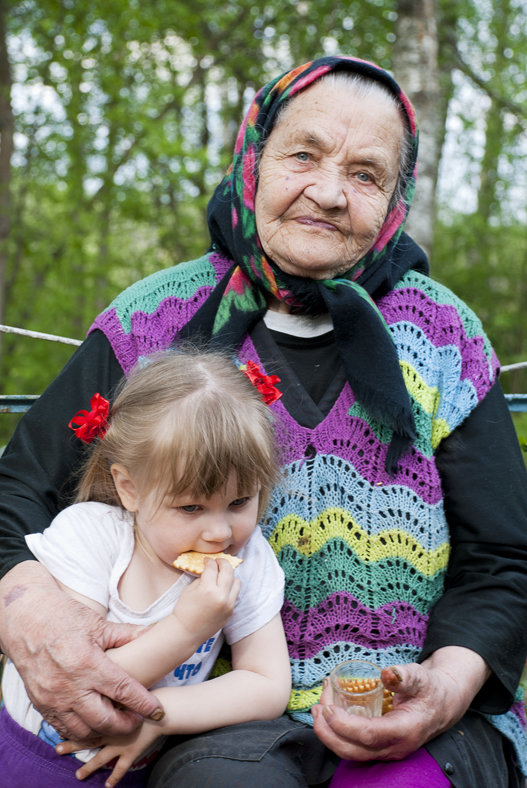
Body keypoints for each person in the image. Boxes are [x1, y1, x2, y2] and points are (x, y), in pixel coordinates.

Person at [0, 54, 526, 787]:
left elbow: (503, 561)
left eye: (366, 174)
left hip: (413, 708)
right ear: (252, 159)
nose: (329, 193)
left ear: (395, 198)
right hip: (206, 711)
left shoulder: (444, 340)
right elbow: (15, 494)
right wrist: (32, 616)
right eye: (302, 155)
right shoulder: (155, 319)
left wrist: (446, 685)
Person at [0, 350, 291, 787]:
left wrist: (161, 718)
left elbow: (267, 684)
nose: (219, 532)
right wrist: (188, 629)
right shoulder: (92, 538)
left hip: (146, 762)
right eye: (191, 506)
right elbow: (85, 683)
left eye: (239, 502)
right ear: (129, 488)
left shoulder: (250, 558)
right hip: (45, 759)